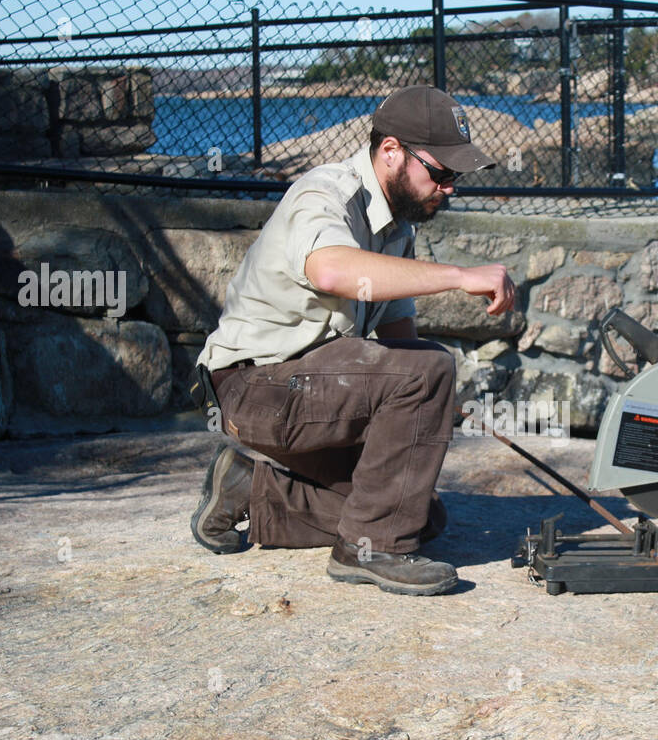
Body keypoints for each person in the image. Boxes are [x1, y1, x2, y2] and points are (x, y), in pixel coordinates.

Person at [190, 85, 516, 596]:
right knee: (427, 378)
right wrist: (458, 276)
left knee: (419, 511)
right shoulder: (325, 193)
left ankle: (249, 488)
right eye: (442, 172)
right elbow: (331, 270)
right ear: (391, 152)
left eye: (457, 176)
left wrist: (433, 407)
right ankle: (371, 550)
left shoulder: (397, 228)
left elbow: (400, 346)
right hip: (255, 389)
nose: (450, 187)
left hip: (313, 392)